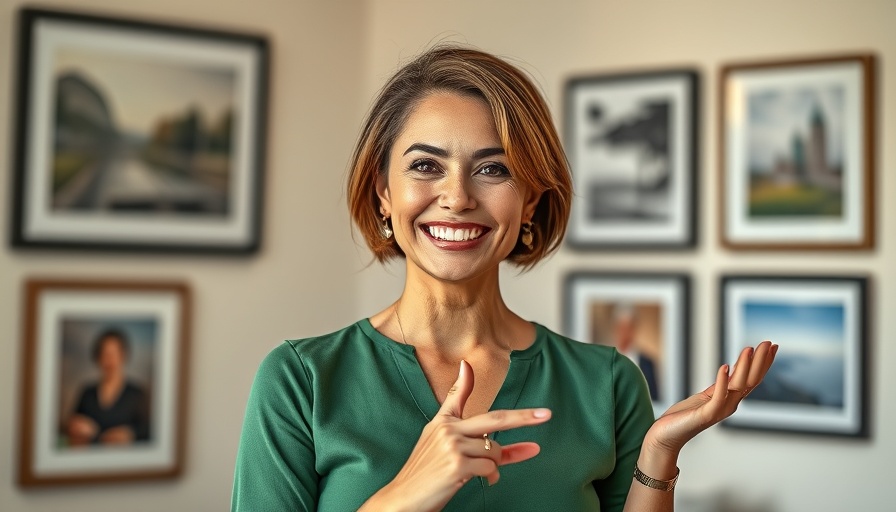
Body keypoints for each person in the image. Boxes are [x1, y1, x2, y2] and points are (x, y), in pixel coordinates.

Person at [231, 44, 777, 512]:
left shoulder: (606, 384)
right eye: (425, 165)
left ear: (532, 199)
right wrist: (403, 495)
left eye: (494, 169)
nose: (458, 197)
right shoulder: (300, 382)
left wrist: (658, 453)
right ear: (382, 192)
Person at [66, 328, 150, 446]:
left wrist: (130, 434)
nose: (110, 360)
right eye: (105, 354)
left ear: (123, 356)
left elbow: (148, 429)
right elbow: (72, 422)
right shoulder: (87, 392)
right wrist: (77, 426)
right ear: (97, 358)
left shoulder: (137, 393)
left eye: (114, 354)